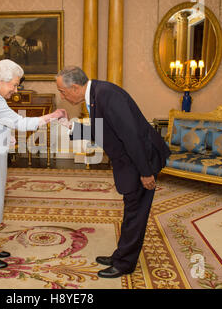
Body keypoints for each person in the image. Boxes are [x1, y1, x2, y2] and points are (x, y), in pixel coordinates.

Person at [55, 66, 171, 278]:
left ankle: (125, 263)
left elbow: (132, 136)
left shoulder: (106, 95)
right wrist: (71, 127)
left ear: (74, 87)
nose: (61, 95)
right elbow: (104, 130)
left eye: (62, 91)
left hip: (141, 160)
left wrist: (145, 172)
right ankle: (121, 254)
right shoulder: (97, 94)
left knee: (136, 213)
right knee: (131, 209)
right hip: (132, 159)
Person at [0, 59, 66, 270]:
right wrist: (53, 116)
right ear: (1, 80)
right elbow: (20, 122)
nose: (16, 89)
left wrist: (5, 136)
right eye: (14, 84)